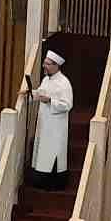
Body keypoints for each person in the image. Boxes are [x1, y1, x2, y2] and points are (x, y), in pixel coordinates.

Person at [30, 50, 74, 190]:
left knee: (53, 154)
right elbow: (41, 93)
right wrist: (31, 93)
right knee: (43, 154)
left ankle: (54, 184)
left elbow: (67, 105)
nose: (44, 66)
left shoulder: (64, 83)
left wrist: (50, 101)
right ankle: (40, 182)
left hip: (56, 126)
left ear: (56, 66)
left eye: (47, 64)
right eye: (44, 63)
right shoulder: (45, 80)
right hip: (44, 124)